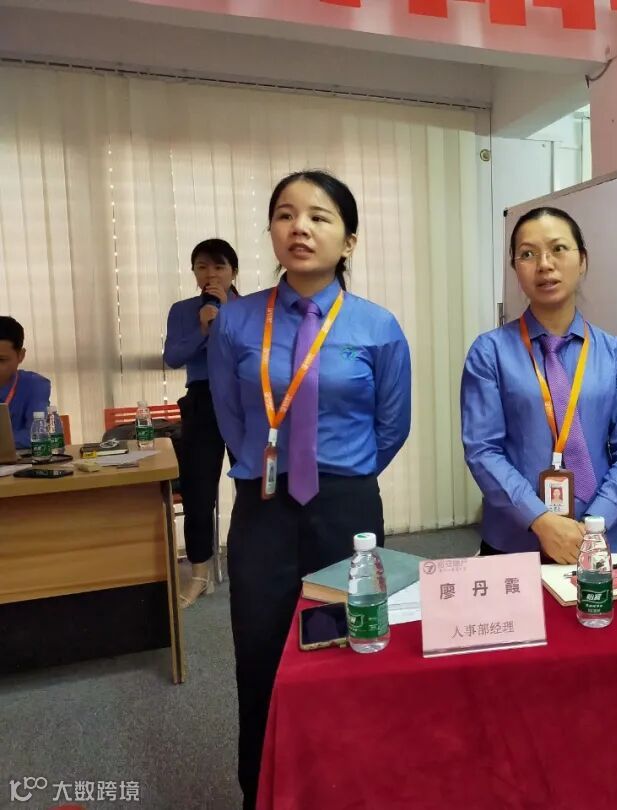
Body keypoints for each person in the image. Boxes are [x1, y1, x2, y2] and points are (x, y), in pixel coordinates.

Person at [208, 170, 411, 809]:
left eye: (319, 217)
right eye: (286, 214)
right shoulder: (237, 321)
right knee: (260, 653)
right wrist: (263, 464)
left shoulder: (377, 326)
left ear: (348, 240)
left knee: (348, 644)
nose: (300, 227)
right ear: (272, 231)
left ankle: (348, 787)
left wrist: (340, 474)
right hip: (263, 509)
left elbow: (392, 425)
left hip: (345, 510)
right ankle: (261, 792)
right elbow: (229, 415)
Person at [460, 206, 617, 563]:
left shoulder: (615, 354)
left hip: (600, 539)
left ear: (583, 260)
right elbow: (483, 450)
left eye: (558, 249)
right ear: (515, 268)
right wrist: (541, 520)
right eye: (528, 254)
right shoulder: (490, 353)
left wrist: (594, 525)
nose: (544, 264)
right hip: (515, 541)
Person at [164, 239, 240, 607]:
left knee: (254, 485)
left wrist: (226, 320)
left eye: (219, 267)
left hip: (244, 402)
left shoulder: (252, 309)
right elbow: (173, 356)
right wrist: (204, 329)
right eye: (202, 267)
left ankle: (250, 560)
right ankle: (198, 573)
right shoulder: (183, 310)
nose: (210, 274)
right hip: (202, 400)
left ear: (233, 272)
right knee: (198, 490)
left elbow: (259, 353)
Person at [0, 316, 51, 448]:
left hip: (19, 460)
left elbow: (36, 435)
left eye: (1, 360)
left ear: (20, 356)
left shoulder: (35, 385)